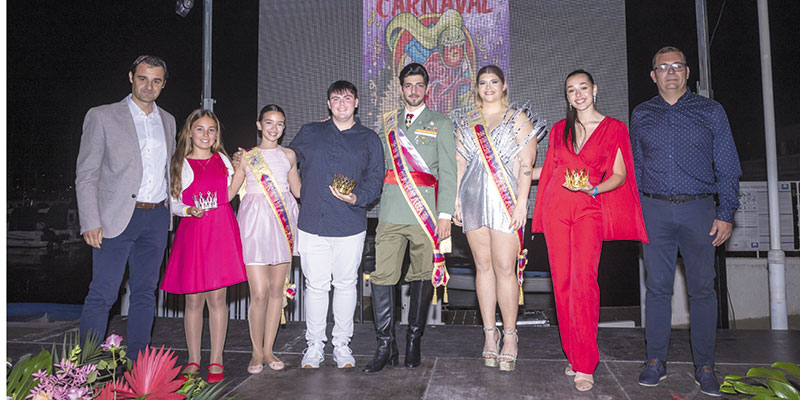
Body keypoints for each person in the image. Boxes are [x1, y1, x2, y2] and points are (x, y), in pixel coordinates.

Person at [632, 46, 741, 397]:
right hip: (654, 210)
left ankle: (705, 366)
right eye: (663, 67)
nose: (671, 72)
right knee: (657, 289)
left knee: (703, 291)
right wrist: (634, 212)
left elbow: (728, 165)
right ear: (653, 75)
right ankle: (655, 361)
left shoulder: (711, 111)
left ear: (687, 71)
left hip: (700, 211)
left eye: (677, 66)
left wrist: (726, 213)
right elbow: (635, 167)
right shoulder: (641, 114)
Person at [531, 70, 648, 391]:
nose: (578, 94)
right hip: (556, 209)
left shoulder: (614, 128)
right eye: (571, 90)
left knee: (584, 283)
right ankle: (573, 353)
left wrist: (594, 190)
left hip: (588, 210)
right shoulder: (560, 129)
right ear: (567, 96)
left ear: (594, 90)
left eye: (583, 87)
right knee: (562, 285)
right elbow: (550, 170)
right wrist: (514, 170)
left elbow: (620, 175)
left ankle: (585, 363)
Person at [76, 55, 175, 360]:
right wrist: (90, 220)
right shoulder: (102, 116)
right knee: (103, 293)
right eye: (143, 78)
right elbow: (87, 173)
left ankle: (138, 363)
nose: (149, 86)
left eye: (156, 81)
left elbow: (170, 170)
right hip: (115, 219)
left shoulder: (168, 120)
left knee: (145, 293)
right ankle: (86, 367)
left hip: (156, 217)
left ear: (163, 84)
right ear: (131, 77)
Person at [361, 63, 457, 373]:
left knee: (422, 275)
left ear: (426, 88)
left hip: (425, 214)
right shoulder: (388, 122)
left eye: (418, 85)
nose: (413, 90)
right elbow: (373, 158)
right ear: (401, 88)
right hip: (391, 212)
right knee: (383, 276)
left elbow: (448, 172)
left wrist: (445, 214)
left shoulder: (441, 123)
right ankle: (385, 345)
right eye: (408, 85)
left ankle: (414, 340)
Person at [452, 65, 545, 372]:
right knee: (483, 267)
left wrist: (521, 204)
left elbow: (526, 166)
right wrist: (456, 200)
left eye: (494, 81)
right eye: (483, 82)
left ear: (504, 85)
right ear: (476, 88)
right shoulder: (468, 120)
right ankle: (489, 334)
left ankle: (510, 336)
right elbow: (460, 163)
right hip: (473, 200)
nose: (488, 87)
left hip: (506, 202)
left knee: (505, 268)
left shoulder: (517, 118)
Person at [289, 80, 385, 369]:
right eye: (336, 98)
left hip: (350, 223)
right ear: (328, 104)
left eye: (347, 98)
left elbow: (376, 179)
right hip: (312, 222)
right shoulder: (310, 132)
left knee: (345, 286)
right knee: (315, 287)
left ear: (356, 103)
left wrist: (357, 197)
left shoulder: (369, 138)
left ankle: (342, 345)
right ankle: (314, 346)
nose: (341, 103)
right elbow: (286, 160)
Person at [160, 109, 247, 383]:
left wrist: (242, 169)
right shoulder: (180, 163)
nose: (206, 134)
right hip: (194, 233)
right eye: (200, 129)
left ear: (217, 134)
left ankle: (216, 359)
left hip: (220, 232)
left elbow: (229, 195)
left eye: (211, 129)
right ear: (190, 132)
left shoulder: (223, 160)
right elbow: (174, 203)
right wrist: (188, 210)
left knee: (217, 299)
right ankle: (193, 360)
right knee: (193, 300)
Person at [237, 105, 301, 374]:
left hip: (282, 223)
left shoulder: (289, 155)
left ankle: (268, 350)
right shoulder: (247, 156)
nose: (274, 128)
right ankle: (255, 351)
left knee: (276, 291)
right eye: (269, 122)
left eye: (280, 124)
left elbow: (298, 190)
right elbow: (229, 191)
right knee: (259, 293)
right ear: (259, 125)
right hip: (254, 225)